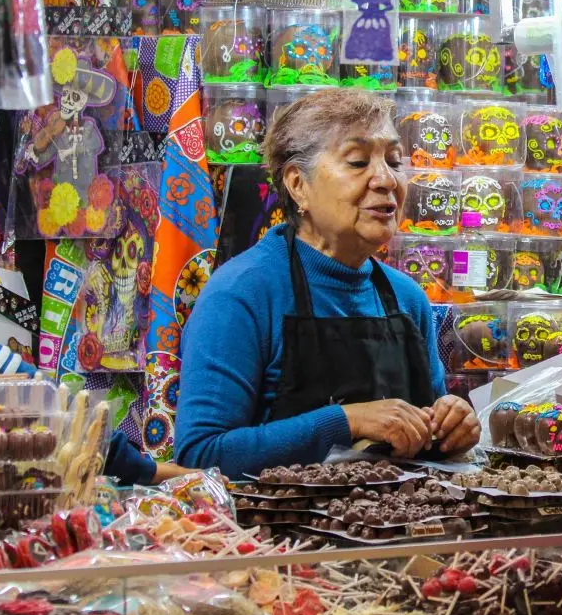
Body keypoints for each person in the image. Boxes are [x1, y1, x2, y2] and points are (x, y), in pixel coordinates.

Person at [174, 90, 479, 479]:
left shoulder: (407, 299)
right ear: (299, 184)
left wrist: (453, 425)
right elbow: (200, 455)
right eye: (357, 161)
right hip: (277, 536)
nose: (386, 179)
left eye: (394, 161)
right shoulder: (241, 294)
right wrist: (344, 422)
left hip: (400, 534)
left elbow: (431, 435)